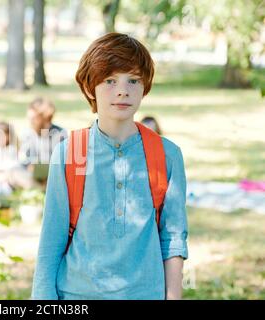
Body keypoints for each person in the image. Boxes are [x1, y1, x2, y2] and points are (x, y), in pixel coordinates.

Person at [32, 33, 188, 300]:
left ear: (145, 86)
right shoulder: (70, 152)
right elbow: (51, 241)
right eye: (110, 80)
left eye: (134, 80)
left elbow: (172, 240)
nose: (122, 90)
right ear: (90, 87)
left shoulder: (167, 155)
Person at [19, 97, 67, 184]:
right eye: (30, 119)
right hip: (31, 175)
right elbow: (23, 160)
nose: (31, 122)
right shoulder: (27, 134)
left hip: (55, 175)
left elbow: (65, 162)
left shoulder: (60, 134)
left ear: (45, 118)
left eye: (34, 119)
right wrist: (30, 165)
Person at [0, 121, 34, 196]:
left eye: (6, 135)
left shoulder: (12, 149)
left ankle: (32, 188)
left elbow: (19, 164)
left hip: (11, 176)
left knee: (19, 174)